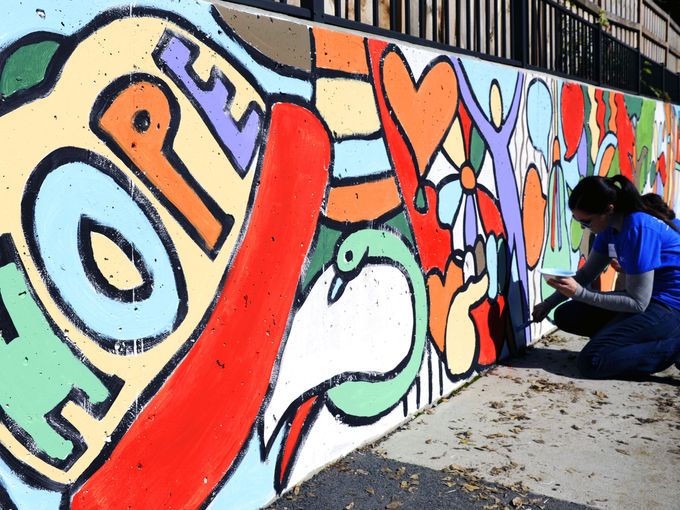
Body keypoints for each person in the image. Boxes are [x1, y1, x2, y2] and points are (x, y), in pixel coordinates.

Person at [532, 175, 680, 379]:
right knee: (566, 315)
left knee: (592, 362)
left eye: (586, 221)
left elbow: (638, 303)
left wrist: (581, 294)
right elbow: (585, 275)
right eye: (578, 222)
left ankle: (674, 348)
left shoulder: (638, 228)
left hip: (670, 307)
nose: (584, 227)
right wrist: (548, 303)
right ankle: (617, 342)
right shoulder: (609, 228)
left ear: (608, 209)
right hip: (651, 302)